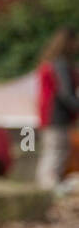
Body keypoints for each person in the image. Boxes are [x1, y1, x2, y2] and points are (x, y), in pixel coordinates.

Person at [36, 27, 79, 190]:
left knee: (54, 153)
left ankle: (45, 189)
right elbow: (65, 93)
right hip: (56, 117)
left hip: (50, 116)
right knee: (56, 154)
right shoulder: (60, 64)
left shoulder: (52, 63)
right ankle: (47, 191)